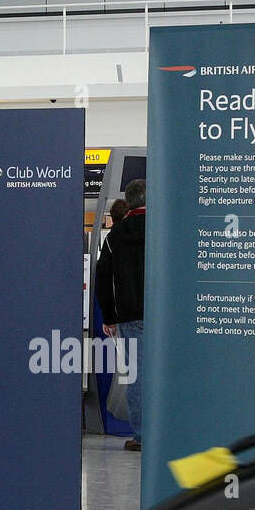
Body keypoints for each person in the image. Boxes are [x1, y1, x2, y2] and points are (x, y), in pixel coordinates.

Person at [96, 180, 146, 451]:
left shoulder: (115, 236)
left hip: (130, 315)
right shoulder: (166, 229)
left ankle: (141, 436)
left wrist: (109, 316)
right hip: (165, 316)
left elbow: (103, 278)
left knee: (137, 376)